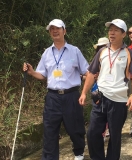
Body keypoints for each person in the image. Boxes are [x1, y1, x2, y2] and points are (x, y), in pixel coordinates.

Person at [22, 19, 89, 160]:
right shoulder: (47, 53)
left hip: (71, 96)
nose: (54, 31)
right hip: (52, 98)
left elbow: (87, 72)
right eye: (51, 29)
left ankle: (79, 152)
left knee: (75, 129)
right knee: (49, 131)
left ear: (64, 31)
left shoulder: (74, 51)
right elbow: (42, 74)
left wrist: (84, 91)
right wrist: (32, 72)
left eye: (58, 28)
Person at [79, 19, 132, 160]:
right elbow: (91, 73)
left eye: (115, 30)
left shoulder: (129, 53)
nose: (111, 33)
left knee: (115, 135)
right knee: (93, 133)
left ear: (123, 34)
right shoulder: (101, 52)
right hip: (100, 98)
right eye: (110, 30)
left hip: (119, 101)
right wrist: (83, 92)